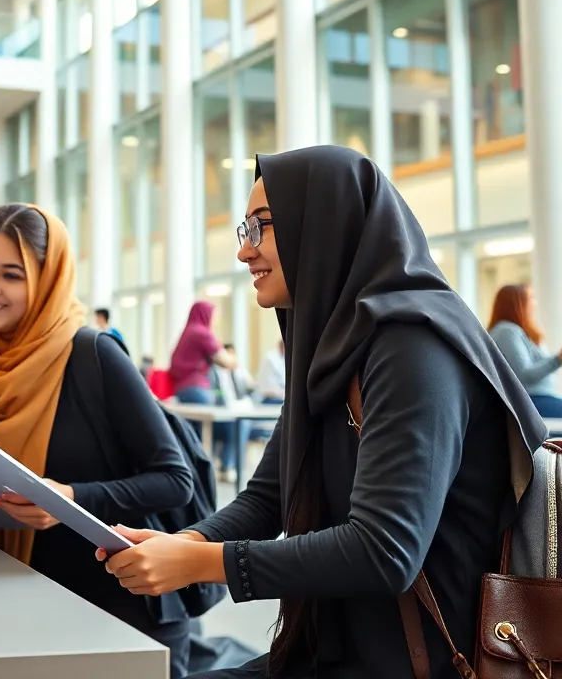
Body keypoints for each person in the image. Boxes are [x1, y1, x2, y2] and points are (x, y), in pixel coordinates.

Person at [97, 146, 547, 679]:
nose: (245, 252)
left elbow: (385, 550)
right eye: (245, 229)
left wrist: (199, 564)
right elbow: (267, 499)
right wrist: (185, 542)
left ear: (325, 223)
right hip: (336, 651)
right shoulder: (334, 352)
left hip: (423, 663)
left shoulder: (413, 349)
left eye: (261, 226)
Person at [0, 204, 196, 676]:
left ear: (47, 281)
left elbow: (174, 480)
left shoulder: (93, 354)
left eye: (13, 275)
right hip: (15, 603)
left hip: (113, 613)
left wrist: (69, 499)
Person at [170, 302, 239, 479]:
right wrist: (232, 356)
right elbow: (226, 362)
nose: (215, 320)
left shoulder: (187, 332)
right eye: (214, 315)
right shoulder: (201, 333)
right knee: (233, 424)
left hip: (183, 390)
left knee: (195, 434)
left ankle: (199, 472)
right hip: (197, 390)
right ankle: (225, 467)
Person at [487, 283, 562, 417]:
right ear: (517, 303)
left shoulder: (520, 332)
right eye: (531, 298)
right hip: (531, 401)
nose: (535, 303)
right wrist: (557, 359)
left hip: (539, 399)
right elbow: (525, 376)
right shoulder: (507, 332)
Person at [253, 340, 285, 405]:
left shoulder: (283, 359)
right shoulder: (269, 359)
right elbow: (262, 388)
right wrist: (280, 392)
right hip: (267, 398)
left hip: (279, 397)